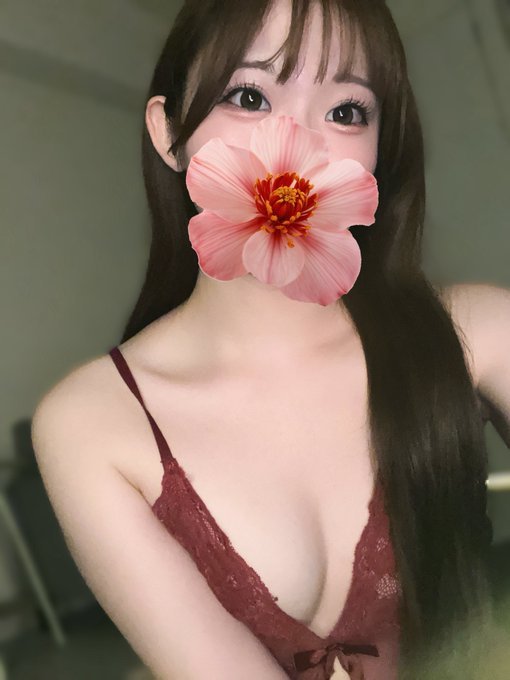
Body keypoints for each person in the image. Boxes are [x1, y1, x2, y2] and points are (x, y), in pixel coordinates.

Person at [31, 0, 510, 678]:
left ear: (378, 153)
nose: (300, 147)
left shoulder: (480, 332)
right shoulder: (92, 425)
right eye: (250, 96)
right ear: (169, 134)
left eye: (347, 111)